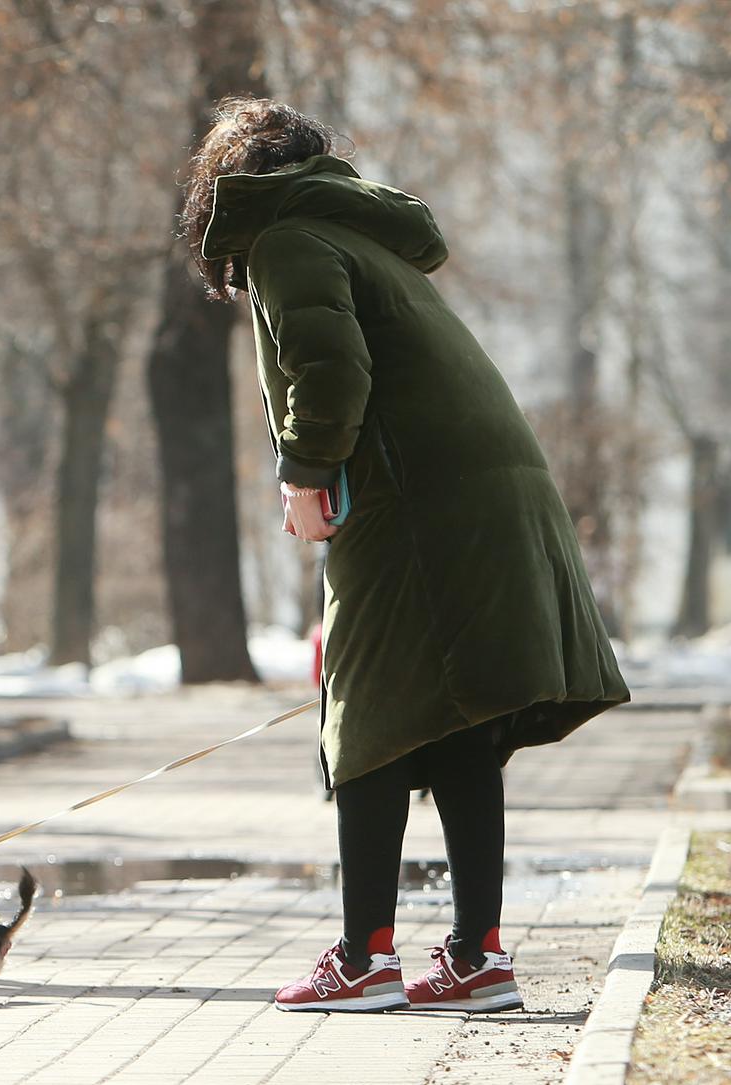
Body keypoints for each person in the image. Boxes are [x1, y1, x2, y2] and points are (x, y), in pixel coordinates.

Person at [180, 97, 629, 1012]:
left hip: (415, 505)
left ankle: (363, 959)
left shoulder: (287, 241)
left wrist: (303, 474)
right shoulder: (362, 236)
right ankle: (477, 956)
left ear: (226, 182)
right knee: (454, 721)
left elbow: (332, 370)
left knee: (370, 719)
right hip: (484, 492)